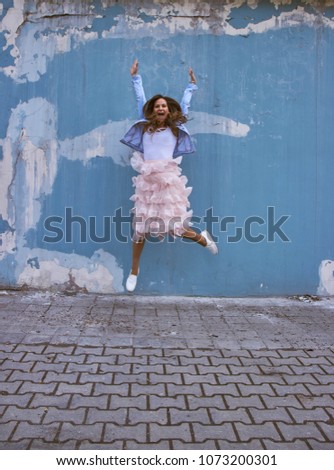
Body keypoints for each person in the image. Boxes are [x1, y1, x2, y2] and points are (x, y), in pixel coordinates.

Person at [120, 59, 218, 292]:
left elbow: (185, 105)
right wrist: (136, 78)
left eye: (164, 106)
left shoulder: (175, 128)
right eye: (157, 106)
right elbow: (139, 99)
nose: (160, 108)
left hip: (168, 181)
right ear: (152, 110)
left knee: (175, 226)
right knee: (140, 228)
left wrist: (191, 86)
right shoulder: (145, 126)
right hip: (147, 181)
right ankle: (134, 270)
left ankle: (202, 238)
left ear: (169, 110)